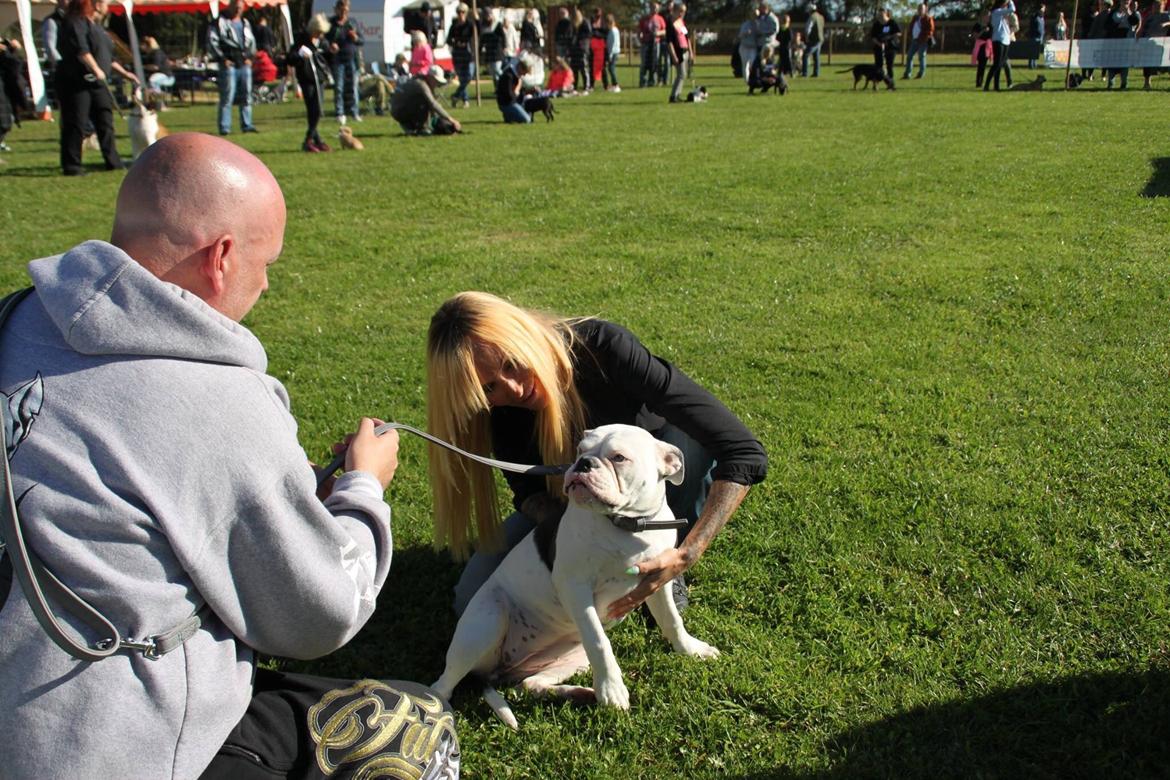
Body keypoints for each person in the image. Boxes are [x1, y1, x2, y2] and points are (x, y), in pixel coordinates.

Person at [0, 132, 463, 779]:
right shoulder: (215, 401)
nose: (268, 282)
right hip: (109, 750)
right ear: (219, 257)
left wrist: (274, 496)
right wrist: (360, 490)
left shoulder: (15, 323)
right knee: (412, 729)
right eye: (264, 260)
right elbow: (315, 615)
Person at [424, 292, 767, 620]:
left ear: (525, 336)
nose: (513, 389)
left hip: (650, 495)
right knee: (470, 598)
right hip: (571, 510)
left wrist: (687, 553)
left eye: (512, 364)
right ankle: (608, 562)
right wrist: (569, 532)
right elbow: (528, 494)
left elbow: (742, 452)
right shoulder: (497, 409)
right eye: (489, 388)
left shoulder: (603, 348)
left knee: (689, 440)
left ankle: (658, 551)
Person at [56, 0, 139, 176]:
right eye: (105, 2)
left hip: (97, 83)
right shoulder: (73, 22)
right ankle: (72, 165)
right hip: (76, 82)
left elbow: (107, 56)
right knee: (76, 123)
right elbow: (82, 50)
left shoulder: (97, 27)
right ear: (94, 4)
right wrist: (95, 69)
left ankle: (112, 161)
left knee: (105, 120)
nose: (107, 5)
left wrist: (125, 73)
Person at [207, 0, 258, 135]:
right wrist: (222, 59)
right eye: (236, 7)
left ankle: (247, 124)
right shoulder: (218, 22)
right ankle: (225, 127)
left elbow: (252, 43)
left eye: (240, 8)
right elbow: (212, 42)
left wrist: (250, 58)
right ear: (230, 6)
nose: (238, 10)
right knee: (227, 97)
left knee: (246, 96)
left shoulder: (245, 23)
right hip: (228, 65)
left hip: (244, 64)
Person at [287, 12, 332, 152]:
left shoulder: (322, 41)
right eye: (318, 32)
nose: (320, 35)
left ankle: (316, 140)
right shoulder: (302, 39)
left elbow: (326, 57)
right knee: (314, 110)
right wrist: (300, 55)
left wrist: (331, 51)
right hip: (307, 79)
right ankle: (308, 140)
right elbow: (290, 58)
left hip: (320, 78)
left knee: (317, 110)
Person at [391, 63, 461, 135]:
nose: (437, 84)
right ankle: (421, 128)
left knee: (424, 101)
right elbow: (433, 104)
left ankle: (411, 127)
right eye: (436, 81)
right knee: (424, 101)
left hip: (400, 109)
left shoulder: (422, 81)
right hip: (399, 111)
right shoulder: (421, 84)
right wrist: (451, 119)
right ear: (430, 77)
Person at [325, 0, 363, 122]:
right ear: (336, 9)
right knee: (339, 87)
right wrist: (330, 46)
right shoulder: (330, 24)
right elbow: (324, 40)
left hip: (352, 59)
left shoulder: (352, 23)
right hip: (338, 60)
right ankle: (339, 113)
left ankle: (354, 112)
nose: (343, 13)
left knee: (353, 87)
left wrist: (356, 38)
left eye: (345, 10)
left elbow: (362, 41)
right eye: (341, 10)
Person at [984, 0, 1015, 91]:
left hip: (1006, 40)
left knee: (1000, 64)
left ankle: (996, 86)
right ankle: (987, 84)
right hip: (998, 39)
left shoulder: (1003, 14)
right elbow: (1012, 9)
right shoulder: (996, 12)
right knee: (996, 64)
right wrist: (1010, 1)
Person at [447, 3, 473, 107]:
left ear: (466, 13)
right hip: (457, 54)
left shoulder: (469, 24)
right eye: (458, 12)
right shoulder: (454, 26)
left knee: (469, 76)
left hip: (468, 53)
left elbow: (477, 32)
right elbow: (448, 40)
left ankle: (456, 95)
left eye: (462, 12)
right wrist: (455, 43)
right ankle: (465, 100)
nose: (460, 14)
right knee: (462, 78)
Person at [667, 1, 691, 102]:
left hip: (685, 50)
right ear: (675, 11)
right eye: (680, 11)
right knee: (681, 74)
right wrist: (674, 56)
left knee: (683, 74)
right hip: (678, 52)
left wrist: (691, 51)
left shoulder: (682, 23)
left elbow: (687, 38)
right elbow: (670, 42)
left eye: (684, 12)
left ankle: (677, 94)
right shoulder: (671, 24)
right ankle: (673, 96)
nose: (682, 14)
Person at [903, 3, 935, 79]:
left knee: (921, 57)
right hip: (915, 40)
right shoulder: (915, 18)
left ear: (925, 10)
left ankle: (921, 73)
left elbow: (930, 29)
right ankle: (907, 74)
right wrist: (910, 35)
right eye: (919, 9)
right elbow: (911, 27)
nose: (920, 10)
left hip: (923, 41)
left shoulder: (928, 18)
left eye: (921, 9)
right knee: (909, 56)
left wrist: (925, 37)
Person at [1140, 0, 1167, 88]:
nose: (1156, 7)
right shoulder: (1149, 16)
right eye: (1155, 5)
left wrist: (1165, 24)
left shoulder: (1166, 15)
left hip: (1161, 44)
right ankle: (1147, 82)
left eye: (1159, 5)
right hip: (1148, 42)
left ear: (1162, 6)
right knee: (1147, 64)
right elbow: (1143, 27)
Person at [496, 56, 530, 122]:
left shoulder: (517, 76)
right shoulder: (508, 76)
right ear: (520, 68)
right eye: (524, 72)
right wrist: (517, 91)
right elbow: (509, 95)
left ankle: (510, 116)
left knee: (530, 109)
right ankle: (509, 115)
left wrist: (530, 91)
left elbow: (520, 91)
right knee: (527, 120)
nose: (524, 75)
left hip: (513, 101)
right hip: (507, 103)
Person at [639, 1, 666, 86]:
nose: (655, 9)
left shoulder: (660, 19)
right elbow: (639, 30)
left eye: (656, 7)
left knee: (655, 62)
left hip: (656, 43)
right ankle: (643, 81)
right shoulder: (644, 19)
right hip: (645, 43)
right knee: (644, 62)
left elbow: (665, 31)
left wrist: (659, 33)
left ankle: (653, 80)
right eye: (653, 7)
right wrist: (640, 36)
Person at [870, 7, 900, 81]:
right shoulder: (876, 24)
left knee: (889, 65)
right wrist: (879, 44)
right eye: (879, 14)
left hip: (890, 47)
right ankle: (876, 82)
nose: (880, 15)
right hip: (878, 47)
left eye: (882, 13)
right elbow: (873, 37)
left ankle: (890, 82)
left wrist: (890, 37)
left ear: (886, 13)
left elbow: (898, 33)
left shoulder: (892, 22)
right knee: (878, 66)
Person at [571, 7, 593, 94]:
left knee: (583, 68)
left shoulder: (585, 22)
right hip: (575, 49)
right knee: (574, 69)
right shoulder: (574, 25)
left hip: (582, 48)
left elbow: (589, 34)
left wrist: (581, 40)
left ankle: (586, 86)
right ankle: (574, 86)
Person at [481, 8, 504, 87]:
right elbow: (482, 40)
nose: (488, 17)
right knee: (493, 73)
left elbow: (503, 37)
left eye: (489, 15)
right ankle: (498, 88)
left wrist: (504, 46)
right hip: (489, 51)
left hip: (497, 51)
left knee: (497, 70)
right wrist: (479, 50)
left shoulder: (497, 24)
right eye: (486, 15)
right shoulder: (484, 27)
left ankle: (507, 81)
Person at [736, 7, 759, 86]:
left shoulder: (758, 24)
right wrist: (746, 33)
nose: (755, 16)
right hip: (744, 47)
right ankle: (747, 81)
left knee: (753, 64)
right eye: (754, 14)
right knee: (745, 64)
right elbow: (740, 35)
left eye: (757, 15)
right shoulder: (746, 24)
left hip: (753, 47)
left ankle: (753, 79)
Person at [803, 1, 825, 76]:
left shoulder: (812, 17)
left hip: (814, 40)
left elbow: (808, 28)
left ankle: (805, 72)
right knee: (816, 57)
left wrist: (806, 37)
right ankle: (816, 73)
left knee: (805, 55)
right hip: (821, 39)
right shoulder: (821, 17)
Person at [972, 12, 993, 87]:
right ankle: (978, 82)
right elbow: (975, 36)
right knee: (980, 65)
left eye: (989, 17)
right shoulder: (978, 25)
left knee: (984, 65)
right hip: (980, 46)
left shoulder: (990, 26)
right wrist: (983, 31)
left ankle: (982, 81)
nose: (988, 18)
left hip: (987, 47)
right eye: (986, 16)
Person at [603, 13, 621, 91]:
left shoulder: (612, 31)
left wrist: (609, 55)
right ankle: (614, 84)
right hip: (616, 51)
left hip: (613, 52)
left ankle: (616, 84)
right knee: (611, 68)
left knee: (611, 68)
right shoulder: (616, 29)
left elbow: (611, 44)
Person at [590, 7, 607, 89]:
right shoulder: (591, 22)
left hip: (601, 48)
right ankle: (591, 85)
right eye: (596, 13)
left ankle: (605, 85)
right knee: (592, 66)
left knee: (602, 67)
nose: (597, 15)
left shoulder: (603, 23)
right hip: (593, 48)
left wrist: (596, 34)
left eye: (599, 13)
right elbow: (590, 33)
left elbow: (605, 34)